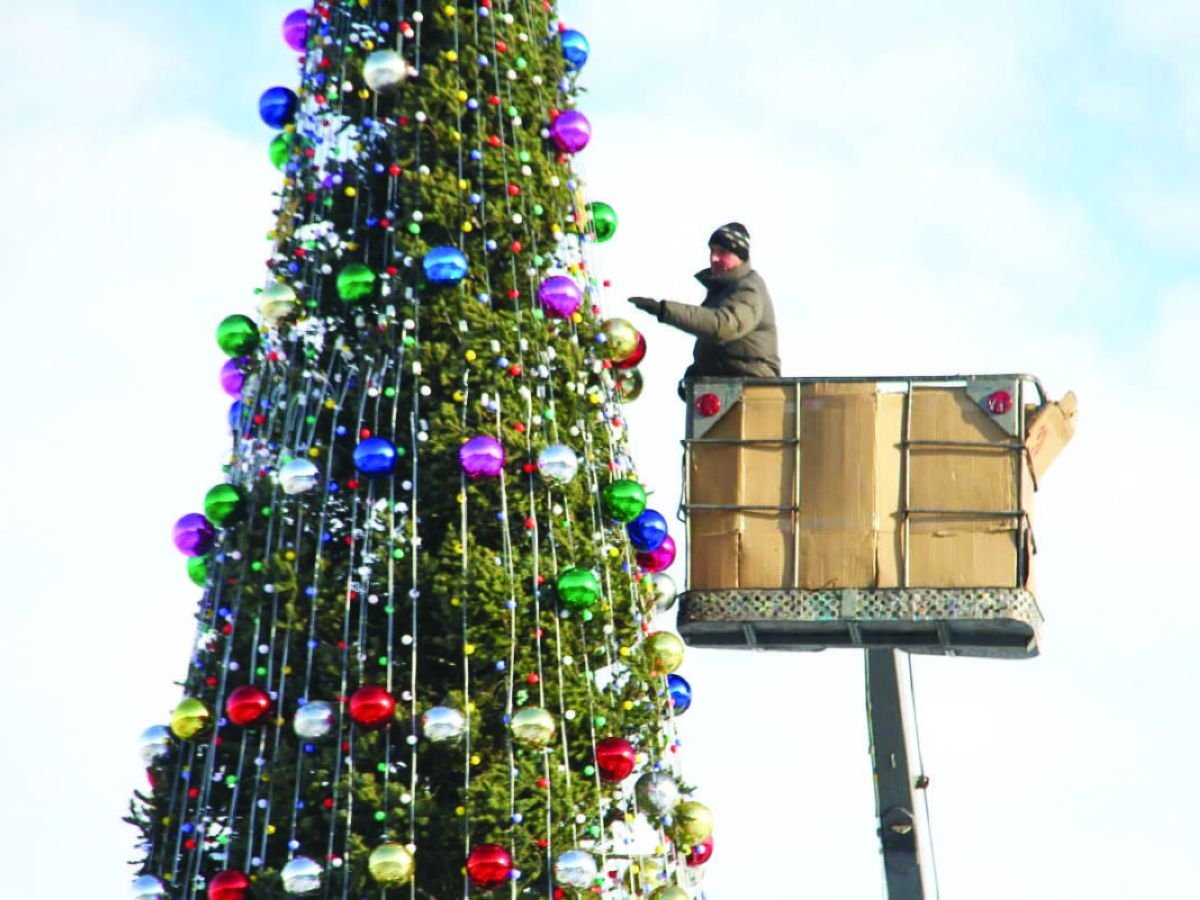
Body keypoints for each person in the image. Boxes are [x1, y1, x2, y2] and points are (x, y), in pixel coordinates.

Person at [627, 222, 780, 398]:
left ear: (740, 257)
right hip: (728, 390)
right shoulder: (722, 292)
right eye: (712, 251)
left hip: (755, 393)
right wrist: (696, 373)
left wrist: (664, 309)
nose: (713, 258)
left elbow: (722, 326)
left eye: (722, 252)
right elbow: (719, 348)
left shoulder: (749, 289)